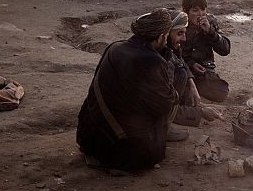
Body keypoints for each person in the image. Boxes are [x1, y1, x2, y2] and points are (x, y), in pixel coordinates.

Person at [76, 9, 180, 171]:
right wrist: (167, 63)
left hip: (88, 139)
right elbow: (165, 103)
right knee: (172, 99)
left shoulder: (114, 47)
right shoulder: (152, 60)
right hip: (123, 152)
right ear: (161, 37)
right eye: (166, 36)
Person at [166, 9, 222, 141]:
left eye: (203, 10)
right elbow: (162, 106)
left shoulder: (167, 47)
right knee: (154, 151)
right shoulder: (157, 62)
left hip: (202, 71)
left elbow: (179, 60)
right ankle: (164, 127)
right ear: (165, 34)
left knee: (183, 73)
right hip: (133, 123)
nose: (184, 38)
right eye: (180, 33)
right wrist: (200, 112)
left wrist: (191, 84)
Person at [181, 0, 232, 102]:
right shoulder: (180, 24)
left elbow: (225, 50)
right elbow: (172, 52)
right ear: (186, 11)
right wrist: (191, 64)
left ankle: (195, 87)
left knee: (221, 92)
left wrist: (210, 32)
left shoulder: (210, 22)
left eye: (203, 9)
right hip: (183, 67)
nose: (201, 14)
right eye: (195, 10)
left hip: (204, 68)